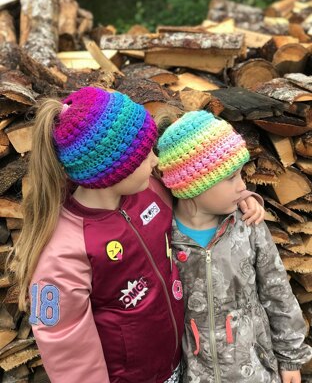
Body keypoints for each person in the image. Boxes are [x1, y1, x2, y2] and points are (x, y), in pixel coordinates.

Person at [9, 87, 264, 383]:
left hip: (182, 360)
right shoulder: (64, 250)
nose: (156, 161)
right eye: (145, 155)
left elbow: (202, 196)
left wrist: (241, 200)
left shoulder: (150, 191)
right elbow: (63, 341)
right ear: (114, 170)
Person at [157, 110, 312, 383]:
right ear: (193, 185)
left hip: (255, 371)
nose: (243, 186)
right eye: (231, 178)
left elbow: (278, 293)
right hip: (195, 374)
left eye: (241, 175)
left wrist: (290, 358)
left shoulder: (248, 225)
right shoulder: (163, 235)